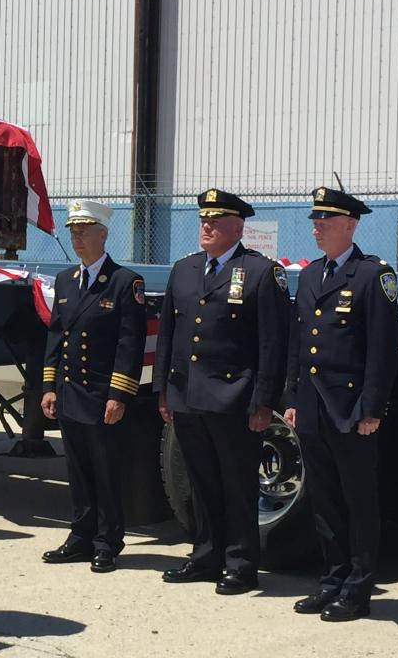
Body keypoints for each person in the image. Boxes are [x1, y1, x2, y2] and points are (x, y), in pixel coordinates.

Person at [153, 188, 290, 594]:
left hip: (234, 398)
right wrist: (163, 390)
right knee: (200, 482)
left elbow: (272, 344)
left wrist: (264, 402)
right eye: (203, 220)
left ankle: (241, 564)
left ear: (238, 228)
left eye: (216, 221)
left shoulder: (261, 271)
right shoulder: (185, 269)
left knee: (237, 484)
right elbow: (168, 334)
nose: (207, 226)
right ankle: (205, 556)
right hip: (188, 395)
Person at [283, 187, 398, 622]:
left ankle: (357, 589)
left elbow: (382, 349)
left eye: (325, 221)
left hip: (351, 409)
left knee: (358, 502)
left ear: (350, 225)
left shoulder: (372, 275)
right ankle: (332, 581)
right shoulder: (312, 274)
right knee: (325, 501)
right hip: (313, 407)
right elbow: (299, 341)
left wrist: (372, 408)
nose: (316, 228)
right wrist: (293, 397)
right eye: (315, 221)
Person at [40, 200, 147, 573]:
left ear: (103, 235)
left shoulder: (124, 282)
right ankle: (80, 536)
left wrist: (119, 395)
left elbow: (129, 344)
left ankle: (107, 542)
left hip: (101, 395)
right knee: (78, 470)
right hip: (70, 393)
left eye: (84, 231)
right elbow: (56, 336)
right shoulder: (66, 280)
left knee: (105, 472)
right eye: (73, 232)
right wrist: (49, 386)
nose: (77, 238)